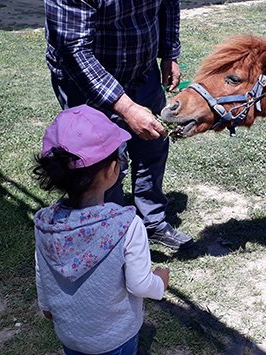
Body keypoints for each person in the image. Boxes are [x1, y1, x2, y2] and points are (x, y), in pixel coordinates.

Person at [44, 0, 193, 250]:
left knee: (154, 144)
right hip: (84, 80)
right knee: (106, 160)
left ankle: (152, 220)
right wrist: (127, 107)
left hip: (142, 72)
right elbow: (73, 50)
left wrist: (169, 53)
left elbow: (169, 4)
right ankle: (113, 233)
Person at [33, 105, 171, 355]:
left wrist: (45, 306)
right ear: (111, 170)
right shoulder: (126, 225)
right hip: (114, 336)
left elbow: (41, 270)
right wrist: (161, 282)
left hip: (69, 330)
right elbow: (140, 284)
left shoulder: (45, 223)